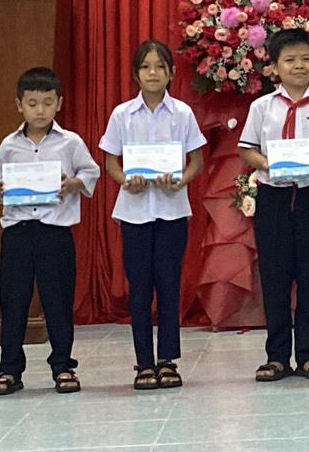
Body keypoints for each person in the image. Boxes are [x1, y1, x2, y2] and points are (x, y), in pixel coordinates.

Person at [238, 29, 309, 382]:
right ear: (274, 66)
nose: (298, 66)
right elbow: (247, 149)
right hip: (274, 197)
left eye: (305, 59)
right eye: (289, 60)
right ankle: (276, 356)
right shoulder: (262, 107)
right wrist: (268, 164)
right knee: (275, 278)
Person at [99, 40, 206, 390]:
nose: (153, 73)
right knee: (140, 288)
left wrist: (181, 181)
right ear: (136, 74)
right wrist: (125, 181)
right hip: (134, 212)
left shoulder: (183, 113)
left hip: (172, 210)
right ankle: (144, 361)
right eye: (146, 67)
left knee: (169, 285)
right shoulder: (122, 114)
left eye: (160, 66)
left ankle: (167, 360)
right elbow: (110, 161)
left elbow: (196, 161)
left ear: (171, 72)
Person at [0, 67, 100, 394]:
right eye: (32, 103)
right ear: (19, 105)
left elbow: (90, 172)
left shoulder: (70, 142)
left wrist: (72, 183)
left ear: (59, 104)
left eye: (48, 102)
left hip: (55, 231)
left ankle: (63, 366)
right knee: (13, 300)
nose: (40, 110)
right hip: (18, 231)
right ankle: (9, 369)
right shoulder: (9, 144)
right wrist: (2, 187)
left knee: (58, 300)